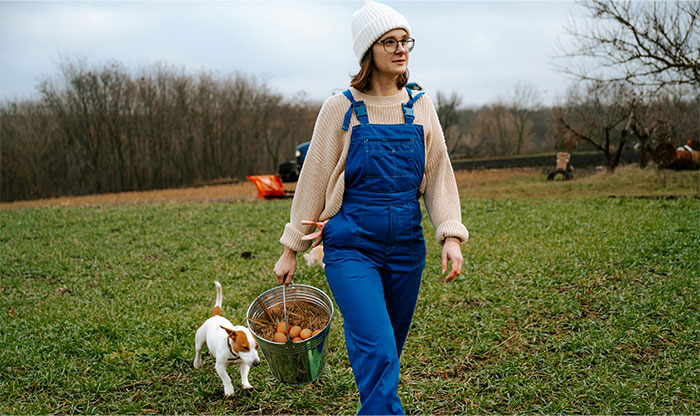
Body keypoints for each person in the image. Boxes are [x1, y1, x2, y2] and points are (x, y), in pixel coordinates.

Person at [274, 1, 469, 414]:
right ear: (368, 51)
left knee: (384, 355)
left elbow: (437, 177)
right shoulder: (340, 109)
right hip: (350, 248)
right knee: (379, 352)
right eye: (390, 42)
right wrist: (291, 248)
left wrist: (450, 235)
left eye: (405, 41)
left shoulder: (420, 106)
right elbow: (312, 180)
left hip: (406, 249)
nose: (401, 50)